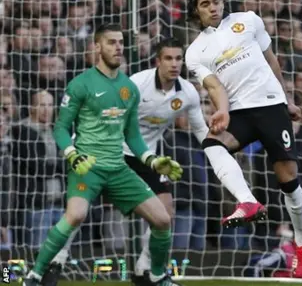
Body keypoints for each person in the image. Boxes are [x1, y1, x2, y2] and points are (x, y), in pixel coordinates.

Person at [42, 38, 219, 286]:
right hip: (111, 151)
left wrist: (218, 151)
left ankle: (144, 270)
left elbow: (200, 128)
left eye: (179, 58)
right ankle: (57, 260)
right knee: (78, 211)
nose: (174, 64)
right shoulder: (137, 83)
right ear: (158, 61)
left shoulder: (187, 92)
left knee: (165, 212)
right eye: (168, 58)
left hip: (146, 157)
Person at [23, 24, 183, 286]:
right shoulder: (81, 84)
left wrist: (153, 161)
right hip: (87, 166)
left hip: (118, 168)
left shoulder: (129, 89)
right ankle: (35, 275)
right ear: (97, 47)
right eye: (111, 42)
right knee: (75, 215)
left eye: (120, 42)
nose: (118, 47)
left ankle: (155, 276)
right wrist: (73, 155)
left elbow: (132, 136)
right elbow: (61, 128)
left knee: (163, 219)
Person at [184, 0, 302, 277]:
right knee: (212, 144)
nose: (213, 7)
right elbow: (213, 86)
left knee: (287, 178)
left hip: (270, 105)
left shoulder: (248, 20)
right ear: (195, 11)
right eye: (205, 4)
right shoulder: (195, 52)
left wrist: (288, 100)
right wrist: (223, 111)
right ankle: (248, 201)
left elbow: (271, 60)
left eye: (216, 1)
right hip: (239, 111)